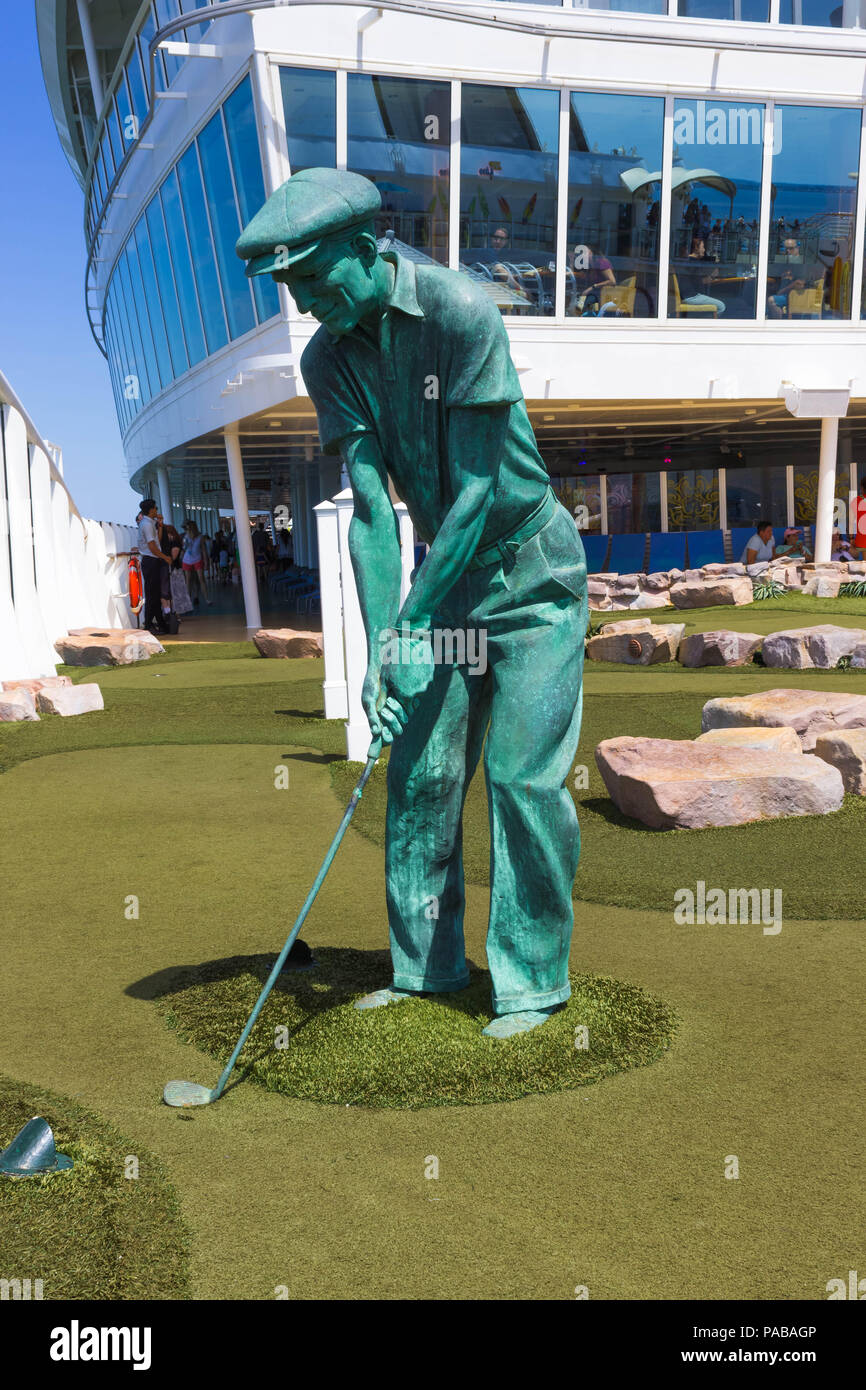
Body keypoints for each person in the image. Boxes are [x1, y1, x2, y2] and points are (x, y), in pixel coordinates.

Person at [236, 166, 587, 1039]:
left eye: (316, 279)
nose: (308, 301)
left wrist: (413, 626)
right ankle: (424, 971)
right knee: (421, 773)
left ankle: (531, 982)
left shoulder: (463, 311)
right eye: (292, 287)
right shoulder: (330, 358)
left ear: (363, 249)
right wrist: (383, 644)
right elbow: (371, 516)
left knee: (519, 777)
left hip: (532, 574)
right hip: (448, 584)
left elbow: (472, 497)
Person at [136, 499, 172, 635]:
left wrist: (161, 525)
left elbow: (157, 539)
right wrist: (165, 557)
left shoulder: (150, 523)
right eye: (155, 508)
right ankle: (149, 624)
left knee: (154, 594)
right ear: (151, 510)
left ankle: (158, 624)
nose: (157, 510)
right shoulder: (147, 524)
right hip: (151, 561)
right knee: (152, 595)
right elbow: (152, 546)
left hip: (152, 561)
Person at [678, 236, 725, 314]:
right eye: (702, 247)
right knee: (721, 306)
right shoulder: (693, 263)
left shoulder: (688, 261)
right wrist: (712, 276)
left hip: (686, 295)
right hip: (691, 296)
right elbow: (699, 283)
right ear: (696, 248)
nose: (704, 250)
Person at [571, 242, 617, 315]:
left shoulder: (602, 262)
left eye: (586, 252)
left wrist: (593, 287)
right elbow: (582, 275)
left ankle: (588, 316)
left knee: (587, 304)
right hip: (594, 294)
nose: (584, 255)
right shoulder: (591, 265)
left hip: (602, 295)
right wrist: (568, 270)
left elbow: (612, 281)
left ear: (593, 253)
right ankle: (579, 314)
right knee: (576, 302)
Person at [181, 520, 211, 606]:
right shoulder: (186, 537)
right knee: (188, 581)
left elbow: (204, 550)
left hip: (197, 559)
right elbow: (183, 549)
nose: (187, 530)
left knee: (201, 579)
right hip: (187, 560)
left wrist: (206, 562)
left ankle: (207, 599)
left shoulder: (200, 537)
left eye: (189, 528)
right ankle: (188, 601)